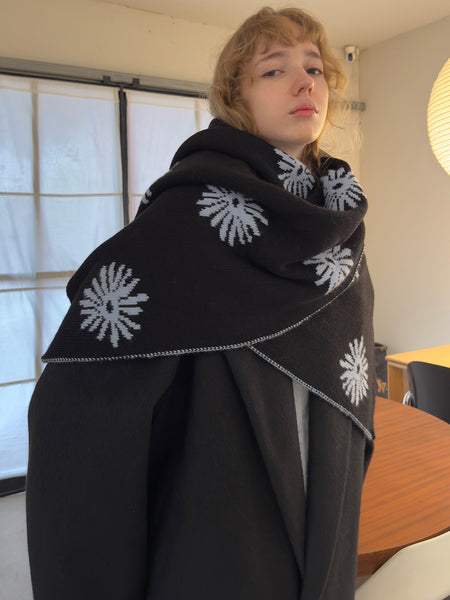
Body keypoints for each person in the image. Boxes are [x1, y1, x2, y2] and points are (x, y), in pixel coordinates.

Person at [26, 6, 375, 600]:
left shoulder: (337, 224)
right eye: (274, 70)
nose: (304, 82)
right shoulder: (190, 215)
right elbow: (81, 397)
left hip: (323, 484)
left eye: (314, 68)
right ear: (236, 97)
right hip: (223, 502)